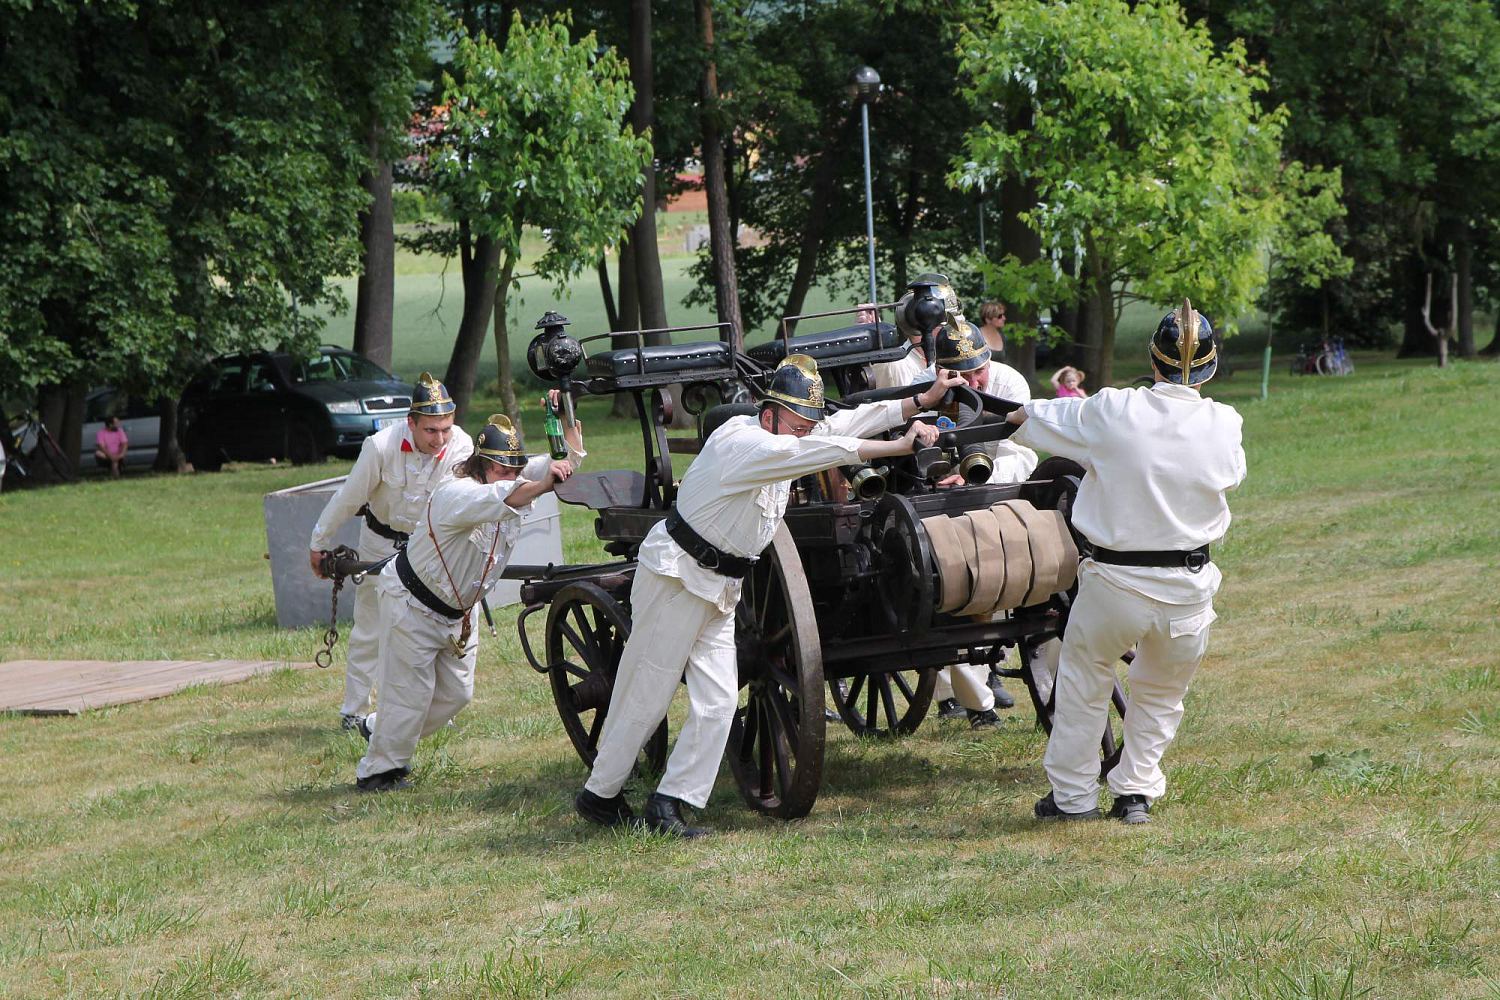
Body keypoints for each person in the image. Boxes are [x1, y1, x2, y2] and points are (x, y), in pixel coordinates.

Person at [576, 355, 961, 837]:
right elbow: (817, 450)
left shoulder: (787, 436)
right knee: (646, 693)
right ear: (770, 411)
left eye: (806, 426)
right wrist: (896, 448)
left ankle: (669, 803)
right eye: (797, 424)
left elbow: (842, 423)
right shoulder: (744, 443)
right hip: (678, 577)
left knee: (717, 704)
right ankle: (600, 796)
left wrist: (916, 402)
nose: (803, 433)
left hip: (722, 587)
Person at [1005, 303, 1245, 824]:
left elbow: (1033, 419)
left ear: (1154, 362)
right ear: (1211, 367)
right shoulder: (1226, 423)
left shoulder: (1112, 409)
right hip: (1188, 586)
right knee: (1161, 695)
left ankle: (1072, 800)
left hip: (1115, 584)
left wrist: (1014, 415)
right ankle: (1135, 793)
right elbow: (1228, 478)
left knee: (1083, 685)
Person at [355, 407, 584, 792]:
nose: (511, 477)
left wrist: (566, 431)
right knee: (408, 697)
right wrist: (542, 484)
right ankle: (378, 772)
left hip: (460, 610)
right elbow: (507, 494)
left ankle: (379, 727)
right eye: (503, 470)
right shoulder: (455, 493)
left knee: (456, 695)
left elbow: (552, 466)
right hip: (414, 604)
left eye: (515, 471)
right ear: (482, 465)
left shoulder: (506, 478)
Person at [310, 372, 474, 731]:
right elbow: (349, 497)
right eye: (431, 430)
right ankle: (354, 711)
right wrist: (319, 543)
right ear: (410, 422)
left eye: (446, 428)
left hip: (430, 548)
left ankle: (434, 710)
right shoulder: (380, 447)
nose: (440, 438)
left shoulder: (462, 446)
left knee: (431, 628)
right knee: (370, 627)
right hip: (380, 540)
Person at [915, 321, 1039, 725]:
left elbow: (1016, 447)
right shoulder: (924, 386)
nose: (971, 381)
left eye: (977, 372)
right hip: (937, 493)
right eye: (960, 375)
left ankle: (987, 685)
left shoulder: (1009, 383)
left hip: (999, 484)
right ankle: (960, 696)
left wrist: (971, 473)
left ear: (988, 361)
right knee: (950, 589)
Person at [871, 273, 963, 390]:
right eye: (945, 326)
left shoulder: (955, 358)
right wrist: (875, 340)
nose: (952, 333)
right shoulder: (895, 365)